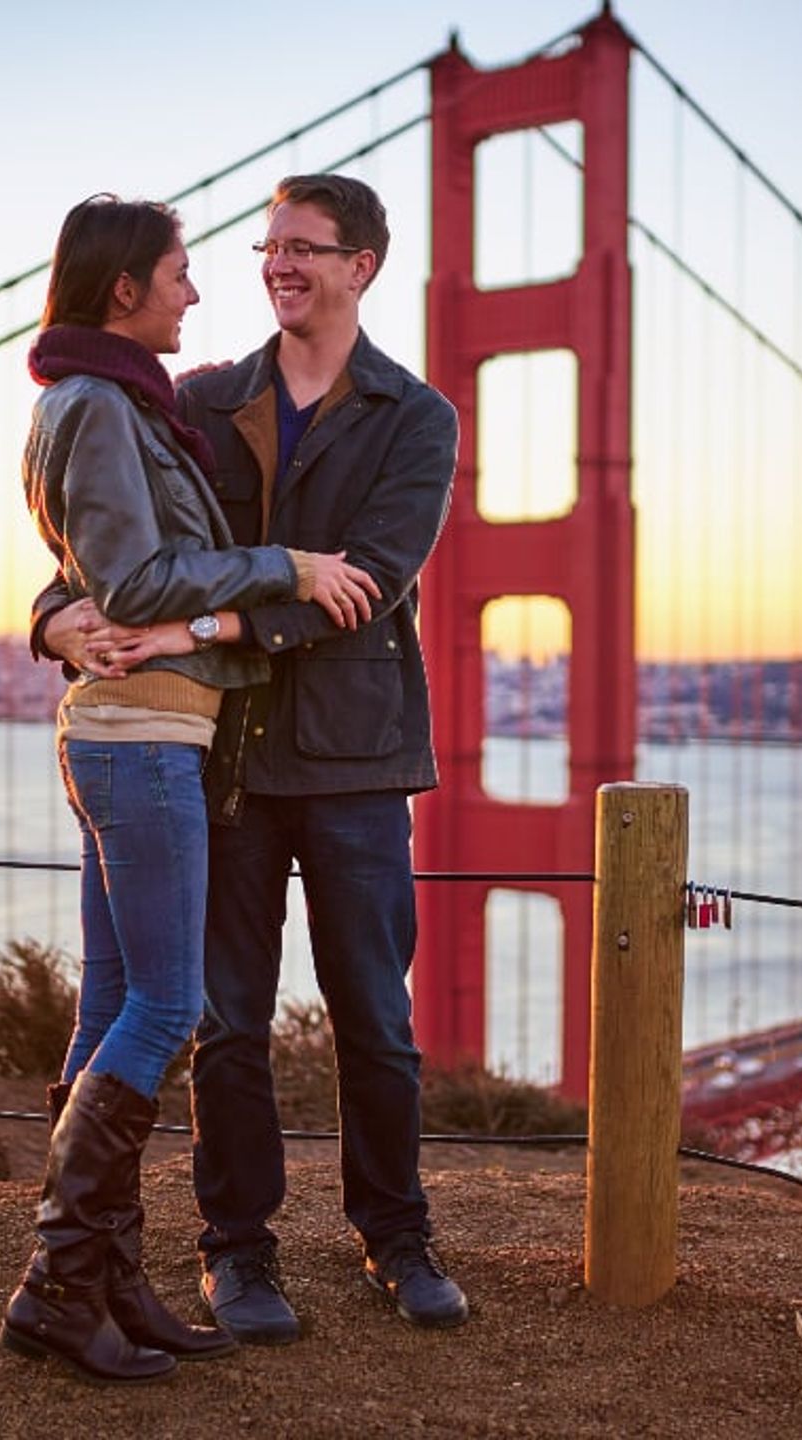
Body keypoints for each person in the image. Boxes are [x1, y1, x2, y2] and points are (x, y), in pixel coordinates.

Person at [35, 173, 468, 1336]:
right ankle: (237, 1250)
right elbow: (118, 537)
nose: (276, 265)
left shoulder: (418, 419)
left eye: (304, 249)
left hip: (358, 757)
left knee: (374, 1014)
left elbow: (367, 584)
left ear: (360, 265)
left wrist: (200, 627)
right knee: (225, 1022)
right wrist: (51, 616)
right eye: (269, 245)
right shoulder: (198, 396)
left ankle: (398, 1235)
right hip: (222, 754)